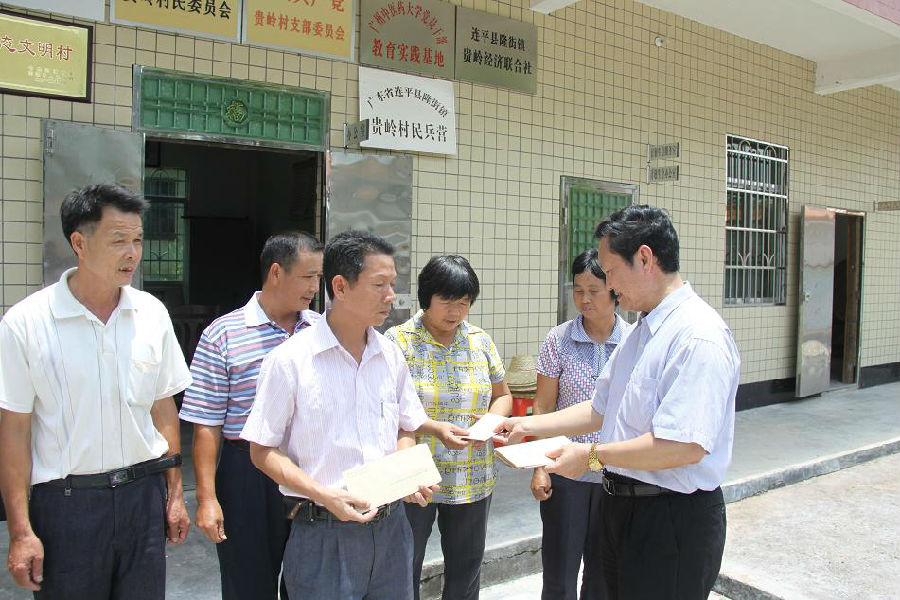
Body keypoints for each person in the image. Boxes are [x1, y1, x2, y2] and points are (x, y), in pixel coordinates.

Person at [495, 205, 740, 600]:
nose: (608, 284)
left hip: (670, 518)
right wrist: (527, 425)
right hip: (623, 507)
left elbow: (683, 446)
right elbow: (599, 408)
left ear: (644, 259)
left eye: (609, 272)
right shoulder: (642, 331)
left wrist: (591, 457)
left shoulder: (697, 336)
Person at [240, 230, 468, 600]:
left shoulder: (389, 355)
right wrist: (324, 495)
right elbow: (261, 451)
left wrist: (407, 474)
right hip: (324, 533)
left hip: (392, 531)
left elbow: (404, 426)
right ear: (341, 287)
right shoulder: (290, 361)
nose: (391, 296)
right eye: (379, 284)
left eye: (392, 284)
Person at [0, 184, 191, 599]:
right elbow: (14, 432)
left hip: (143, 497)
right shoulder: (27, 323)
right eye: (118, 240)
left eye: (138, 240)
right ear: (79, 243)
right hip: (67, 506)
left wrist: (175, 495)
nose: (132, 253)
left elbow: (163, 410)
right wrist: (20, 531)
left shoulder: (151, 314)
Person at [179, 231, 324, 599]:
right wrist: (207, 498)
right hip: (247, 475)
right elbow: (206, 424)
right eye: (308, 276)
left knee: (310, 582)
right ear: (276, 272)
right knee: (248, 583)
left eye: (318, 277)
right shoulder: (223, 335)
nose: (315, 287)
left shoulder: (321, 330)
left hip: (309, 467)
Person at [385, 255, 512, 600]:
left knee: (466, 571)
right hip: (415, 480)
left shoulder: (480, 341)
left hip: (472, 474)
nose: (455, 312)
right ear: (426, 297)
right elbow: (387, 410)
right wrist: (432, 429)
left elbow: (502, 396)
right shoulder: (398, 341)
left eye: (464, 302)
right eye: (446, 301)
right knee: (403, 567)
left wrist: (491, 422)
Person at [531, 248, 627, 600]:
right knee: (559, 575)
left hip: (615, 475)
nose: (584, 299)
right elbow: (543, 407)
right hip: (565, 475)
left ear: (614, 291)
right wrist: (540, 468)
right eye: (578, 290)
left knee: (603, 577)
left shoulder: (633, 341)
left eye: (594, 291)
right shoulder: (558, 340)